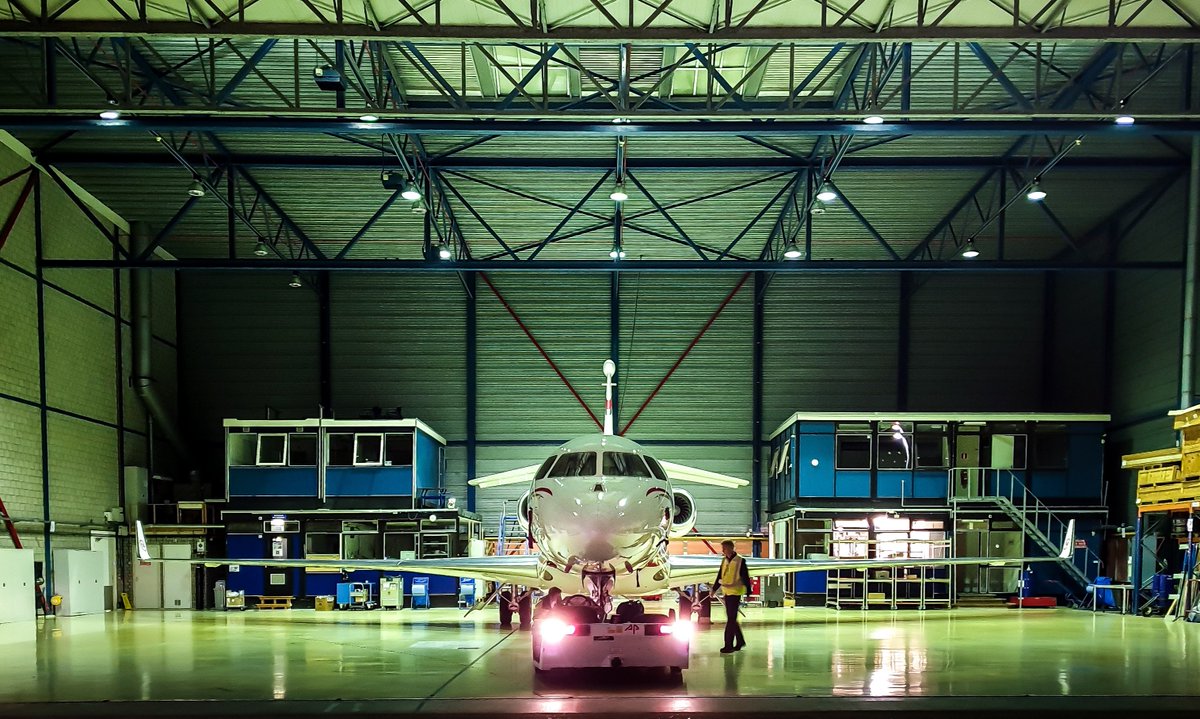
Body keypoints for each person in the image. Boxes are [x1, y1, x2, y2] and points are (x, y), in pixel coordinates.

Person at [710, 539, 750, 654]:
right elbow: (720, 575)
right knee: (732, 619)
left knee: (731, 620)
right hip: (727, 592)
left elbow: (745, 576)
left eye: (724, 548)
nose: (722, 551)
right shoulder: (724, 560)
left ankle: (728, 645)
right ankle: (740, 641)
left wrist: (748, 592)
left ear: (730, 548)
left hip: (736, 592)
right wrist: (714, 589)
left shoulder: (740, 561)